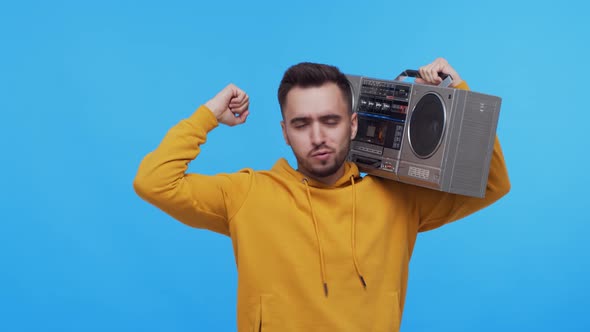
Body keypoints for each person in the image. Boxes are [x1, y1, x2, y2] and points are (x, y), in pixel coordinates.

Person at [133, 57, 511, 331]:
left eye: (330, 121)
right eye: (302, 124)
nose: (317, 137)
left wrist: (459, 95)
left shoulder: (398, 199)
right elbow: (154, 181)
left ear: (353, 125)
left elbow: (493, 184)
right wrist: (208, 115)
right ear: (285, 132)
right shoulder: (246, 194)